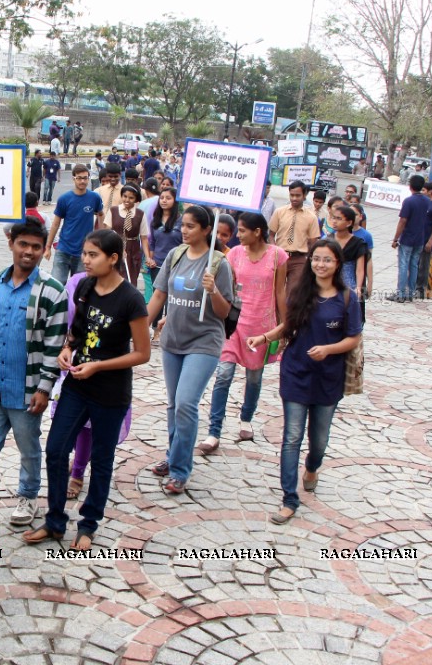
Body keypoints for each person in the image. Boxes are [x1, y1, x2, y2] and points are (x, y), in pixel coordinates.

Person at [24, 230, 149, 550]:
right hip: (77, 388)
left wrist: (98, 365)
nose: (86, 260)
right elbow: (78, 331)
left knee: (102, 458)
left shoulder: (131, 298)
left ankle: (89, 524)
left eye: (93, 255)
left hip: (111, 393)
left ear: (113, 259)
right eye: (85, 253)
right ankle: (54, 521)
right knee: (55, 449)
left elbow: (142, 353)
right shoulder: (83, 285)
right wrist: (68, 349)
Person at [247, 239, 362, 525]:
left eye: (327, 260)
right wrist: (264, 337)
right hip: (296, 371)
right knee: (291, 437)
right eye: (316, 259)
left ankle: (312, 468)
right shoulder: (300, 290)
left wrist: (328, 350)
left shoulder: (347, 298)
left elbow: (354, 337)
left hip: (328, 378)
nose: (320, 264)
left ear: (337, 264)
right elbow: (289, 325)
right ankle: (289, 498)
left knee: (319, 441)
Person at [0, 222, 68, 526]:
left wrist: (44, 389)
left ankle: (28, 496)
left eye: (35, 246)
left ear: (44, 250)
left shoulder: (52, 291)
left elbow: (54, 345)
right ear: (11, 244)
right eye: (23, 244)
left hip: (28, 387)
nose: (28, 251)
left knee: (28, 445)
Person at [144, 206, 233, 493]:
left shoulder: (219, 263)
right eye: (183, 225)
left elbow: (224, 311)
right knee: (173, 405)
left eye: (191, 226)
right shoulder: (175, 255)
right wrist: (141, 329)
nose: (184, 230)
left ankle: (181, 469)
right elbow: (159, 294)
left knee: (186, 403)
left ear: (207, 230)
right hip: (173, 339)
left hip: (204, 341)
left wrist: (213, 290)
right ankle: (172, 456)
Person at [202, 212, 286, 453]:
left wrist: (284, 327)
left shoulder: (278, 256)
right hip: (234, 324)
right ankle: (214, 430)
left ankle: (246, 417)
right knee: (224, 374)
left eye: (242, 231)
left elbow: (280, 292)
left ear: (257, 231)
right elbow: (227, 288)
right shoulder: (235, 254)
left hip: (262, 326)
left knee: (254, 377)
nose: (238, 236)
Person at [45, 164, 104, 284]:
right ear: (74, 178)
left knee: (79, 286)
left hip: (84, 252)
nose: (82, 181)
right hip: (63, 249)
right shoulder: (64, 199)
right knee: (56, 284)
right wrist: (48, 247)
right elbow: (56, 224)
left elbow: (101, 214)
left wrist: (100, 236)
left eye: (85, 178)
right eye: (79, 178)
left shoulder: (94, 198)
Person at [269, 180, 320, 293]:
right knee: (275, 291)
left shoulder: (311, 217)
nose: (294, 198)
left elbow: (313, 242)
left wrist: (309, 260)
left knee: (293, 293)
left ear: (305, 195)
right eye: (292, 195)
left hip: (299, 260)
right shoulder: (279, 212)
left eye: (298, 195)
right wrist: (274, 250)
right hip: (280, 257)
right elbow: (271, 234)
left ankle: (289, 311)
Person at [388, 174, 429, 302]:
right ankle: (410, 293)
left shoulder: (409, 201)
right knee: (414, 266)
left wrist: (395, 238)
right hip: (420, 238)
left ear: (410, 186)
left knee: (403, 265)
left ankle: (400, 293)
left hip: (407, 238)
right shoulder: (427, 201)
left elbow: (402, 221)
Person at [103, 184, 149, 288]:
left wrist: (147, 257)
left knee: (130, 280)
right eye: (125, 196)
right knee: (113, 278)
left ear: (136, 199)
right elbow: (107, 233)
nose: (127, 200)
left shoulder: (140, 214)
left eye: (131, 197)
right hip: (115, 250)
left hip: (133, 250)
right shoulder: (113, 211)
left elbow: (144, 238)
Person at [146, 187, 183, 305]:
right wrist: (150, 259)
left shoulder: (181, 221)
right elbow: (152, 243)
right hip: (157, 266)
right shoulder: (155, 221)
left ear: (175, 201)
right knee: (156, 298)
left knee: (172, 299)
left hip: (176, 266)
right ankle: (156, 323)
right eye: (161, 198)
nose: (164, 200)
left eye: (168, 198)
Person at [329, 206, 369, 306]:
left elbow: (360, 269)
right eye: (333, 218)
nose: (334, 221)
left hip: (349, 283)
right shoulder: (328, 240)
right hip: (329, 281)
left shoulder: (358, 243)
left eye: (339, 219)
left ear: (349, 223)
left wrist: (358, 288)